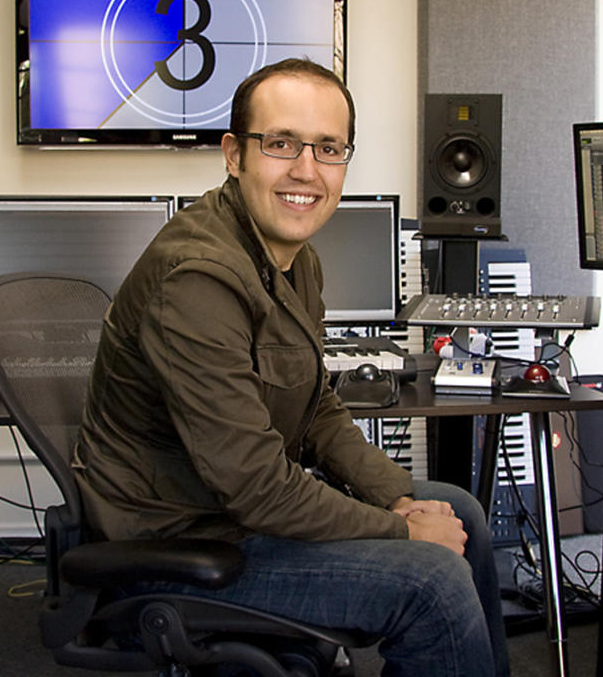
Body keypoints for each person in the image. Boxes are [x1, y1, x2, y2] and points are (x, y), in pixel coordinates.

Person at [73, 58, 510, 676]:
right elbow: (256, 487)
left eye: (328, 148)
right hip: (178, 545)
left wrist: (397, 496)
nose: (307, 170)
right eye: (281, 143)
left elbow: (317, 408)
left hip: (228, 516)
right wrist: (402, 532)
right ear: (234, 155)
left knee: (458, 511)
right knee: (431, 582)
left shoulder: (293, 258)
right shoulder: (197, 279)